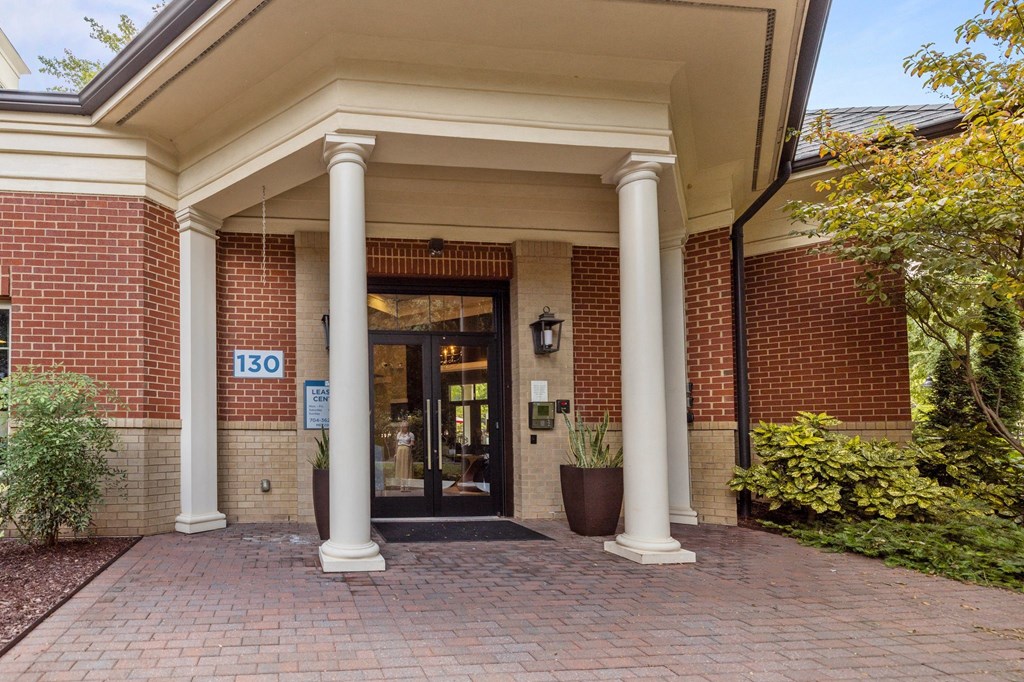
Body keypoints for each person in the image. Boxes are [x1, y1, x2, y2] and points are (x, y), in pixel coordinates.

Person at [395, 420, 415, 492]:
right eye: (403, 427)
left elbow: (412, 443)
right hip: (399, 450)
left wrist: (408, 445)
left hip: (406, 450)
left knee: (406, 467)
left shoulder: (410, 434)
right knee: (400, 467)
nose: (404, 428)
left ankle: (406, 485)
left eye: (406, 427)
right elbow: (397, 444)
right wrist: (396, 453)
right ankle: (401, 485)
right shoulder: (399, 434)